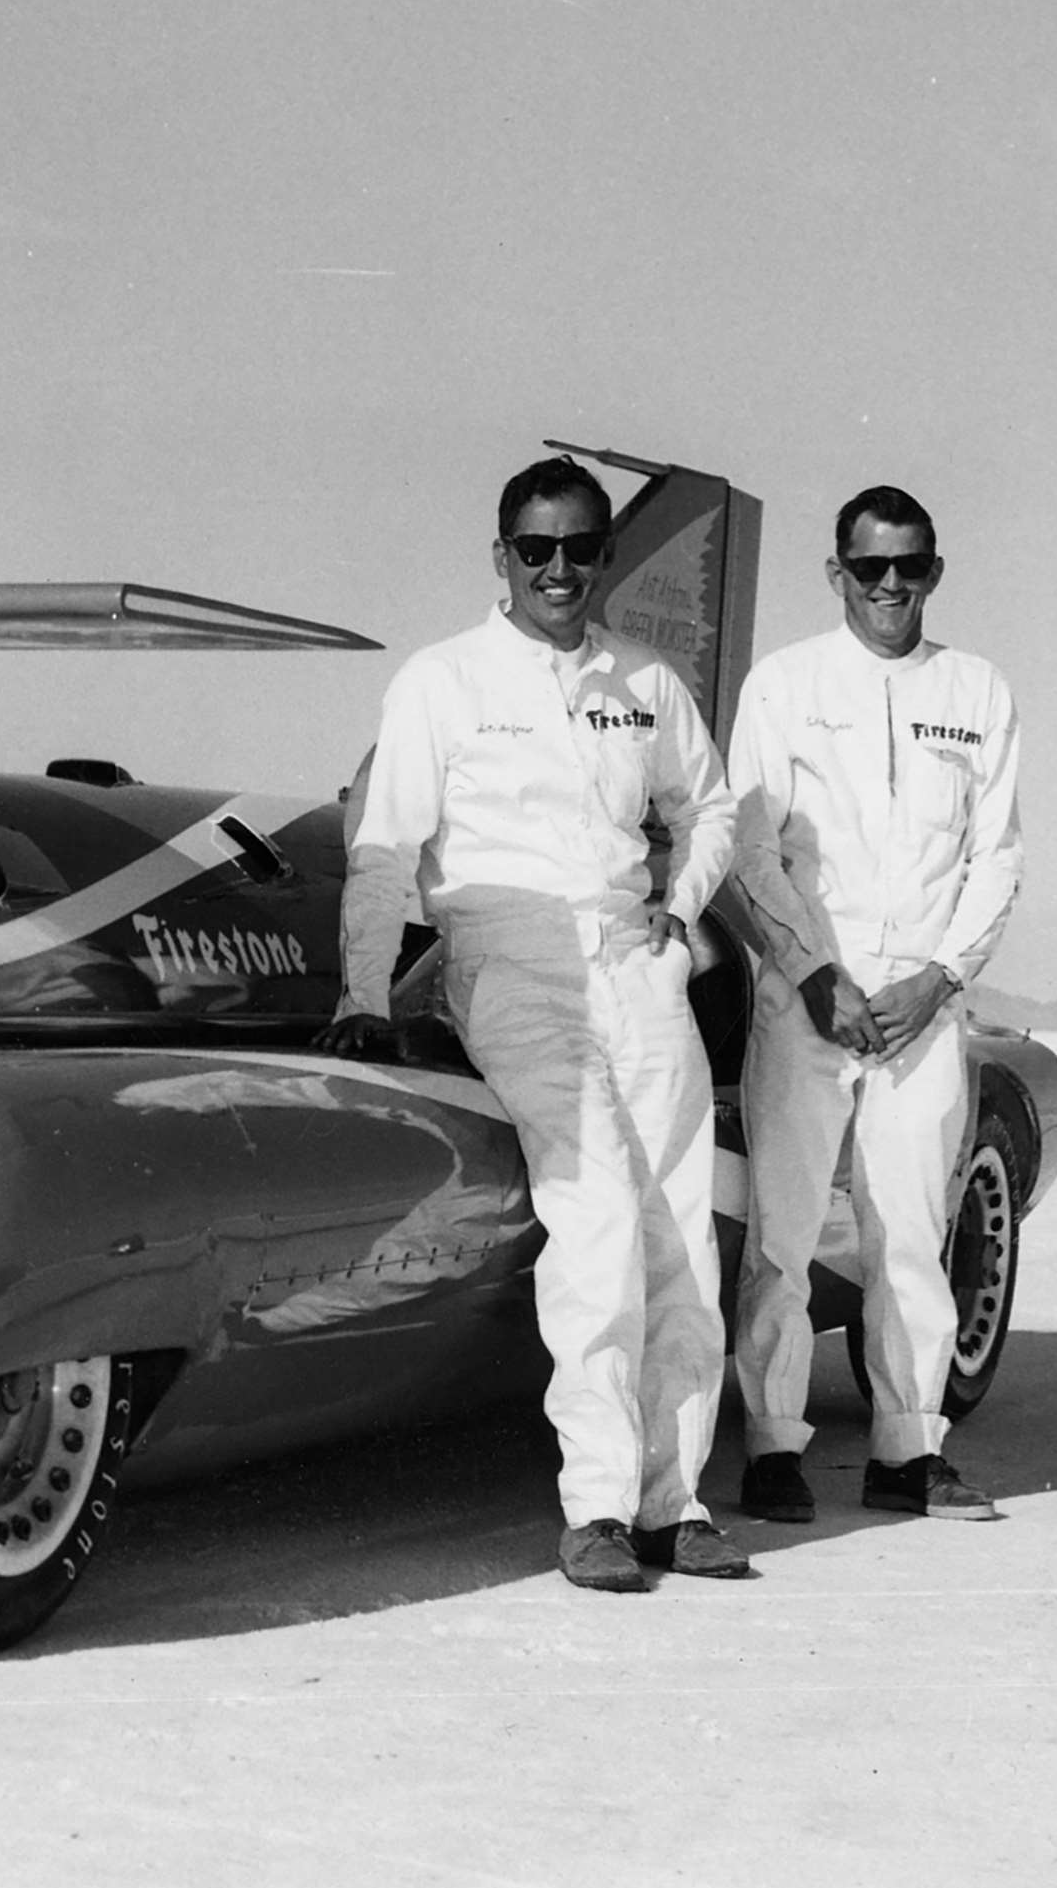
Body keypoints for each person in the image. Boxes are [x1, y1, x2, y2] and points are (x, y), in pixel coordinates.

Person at [315, 455, 746, 1592]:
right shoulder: (442, 680)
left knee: (679, 1235)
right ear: (499, 556)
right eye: (534, 549)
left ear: (604, 554)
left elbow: (706, 808)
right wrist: (362, 994)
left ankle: (674, 1501)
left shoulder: (642, 680)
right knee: (596, 1210)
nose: (558, 569)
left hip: (633, 961)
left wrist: (680, 907)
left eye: (579, 548)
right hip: (507, 961)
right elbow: (382, 847)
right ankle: (597, 1508)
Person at [726, 486, 1022, 1524]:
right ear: (835, 574)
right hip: (806, 999)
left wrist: (935, 979)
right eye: (868, 568)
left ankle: (908, 1447)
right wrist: (813, 973)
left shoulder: (976, 692)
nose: (888, 586)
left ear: (933, 571)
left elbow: (996, 857)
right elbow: (749, 850)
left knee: (909, 1233)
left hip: (918, 1011)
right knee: (783, 1233)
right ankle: (769, 1445)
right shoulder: (783, 685)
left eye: (908, 566)